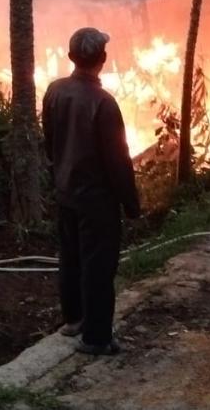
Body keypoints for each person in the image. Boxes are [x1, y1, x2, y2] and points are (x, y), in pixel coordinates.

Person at [41, 27, 141, 356]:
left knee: (70, 258)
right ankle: (97, 338)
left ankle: (74, 320)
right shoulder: (104, 103)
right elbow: (118, 160)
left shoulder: (55, 92)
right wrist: (131, 204)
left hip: (66, 192)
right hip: (97, 201)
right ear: (103, 59)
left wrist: (61, 174)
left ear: (71, 58)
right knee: (98, 266)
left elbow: (51, 143)